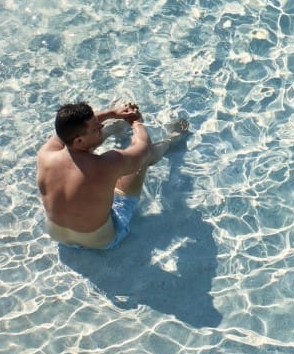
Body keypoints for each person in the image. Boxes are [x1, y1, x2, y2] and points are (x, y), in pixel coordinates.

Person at [36, 100, 189, 251]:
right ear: (79, 139)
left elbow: (71, 139)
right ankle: (174, 138)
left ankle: (116, 127)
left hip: (57, 235)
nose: (101, 126)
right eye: (96, 128)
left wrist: (111, 113)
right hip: (100, 241)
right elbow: (143, 148)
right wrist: (137, 122)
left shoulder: (45, 155)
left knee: (82, 151)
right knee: (144, 159)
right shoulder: (107, 164)